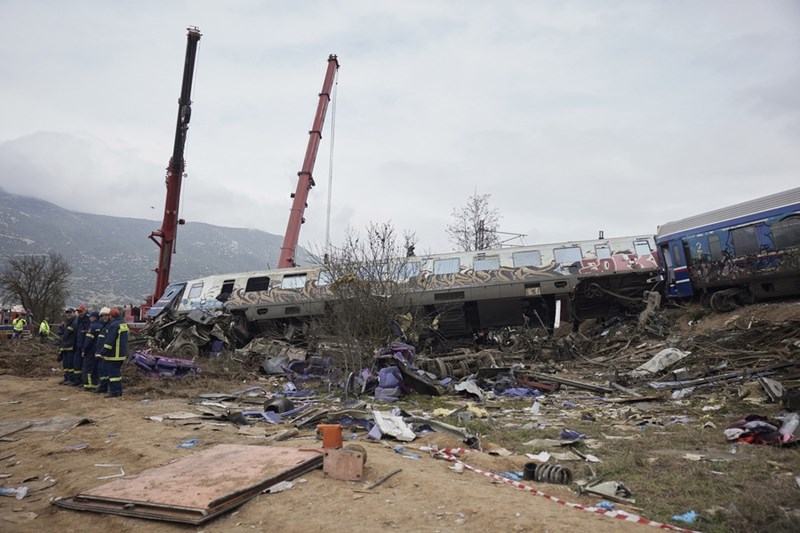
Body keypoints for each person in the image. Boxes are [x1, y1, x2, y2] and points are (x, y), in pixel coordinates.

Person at [97, 307, 128, 398]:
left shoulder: (113, 325)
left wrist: (103, 352)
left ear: (111, 316)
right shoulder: (123, 324)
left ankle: (114, 391)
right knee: (117, 373)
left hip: (113, 354)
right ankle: (118, 390)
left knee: (113, 374)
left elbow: (109, 342)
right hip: (121, 354)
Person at [81, 311, 102, 391]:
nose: (89, 318)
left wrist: (84, 350)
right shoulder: (101, 326)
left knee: (88, 368)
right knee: (96, 368)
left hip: (90, 351)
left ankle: (88, 385)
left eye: (91, 317)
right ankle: (95, 383)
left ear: (94, 317)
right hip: (98, 350)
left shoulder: (92, 327)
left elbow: (88, 340)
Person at [70, 306, 90, 386]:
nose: (79, 313)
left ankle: (83, 380)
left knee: (84, 365)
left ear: (85, 311)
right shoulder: (77, 320)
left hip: (85, 346)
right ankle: (77, 380)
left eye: (81, 311)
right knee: (77, 363)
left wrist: (85, 347)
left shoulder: (88, 320)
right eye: (78, 312)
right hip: (77, 345)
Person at [58, 308, 77, 385]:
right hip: (64, 346)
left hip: (71, 346)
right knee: (65, 364)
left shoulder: (75, 322)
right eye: (68, 313)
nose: (69, 314)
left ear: (74, 313)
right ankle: (66, 378)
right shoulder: (66, 322)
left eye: (70, 312)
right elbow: (63, 334)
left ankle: (71, 379)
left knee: (70, 364)